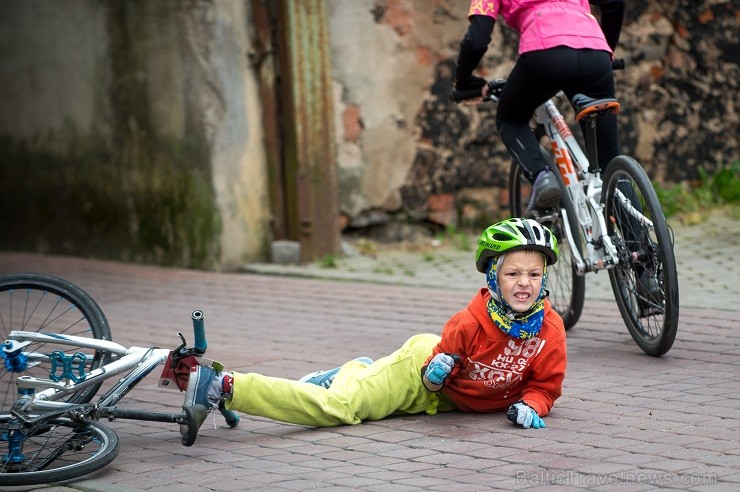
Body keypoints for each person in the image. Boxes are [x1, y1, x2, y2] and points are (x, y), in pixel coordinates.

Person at [183, 218, 567, 434]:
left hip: (452, 407)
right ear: (494, 276)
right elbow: (433, 381)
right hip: (417, 380)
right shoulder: (468, 322)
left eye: (534, 273)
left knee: (358, 397)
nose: (524, 283)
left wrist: (531, 405)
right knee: (339, 409)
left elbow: (545, 385)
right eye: (513, 272)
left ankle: (355, 371)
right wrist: (434, 375)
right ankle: (225, 386)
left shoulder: (549, 330)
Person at [453, 0, 625, 214]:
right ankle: (640, 243)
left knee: (510, 118)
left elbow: (476, 40)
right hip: (596, 52)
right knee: (611, 164)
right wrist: (607, 50)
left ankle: (541, 177)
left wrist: (463, 82)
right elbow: (614, 3)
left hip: (545, 51)